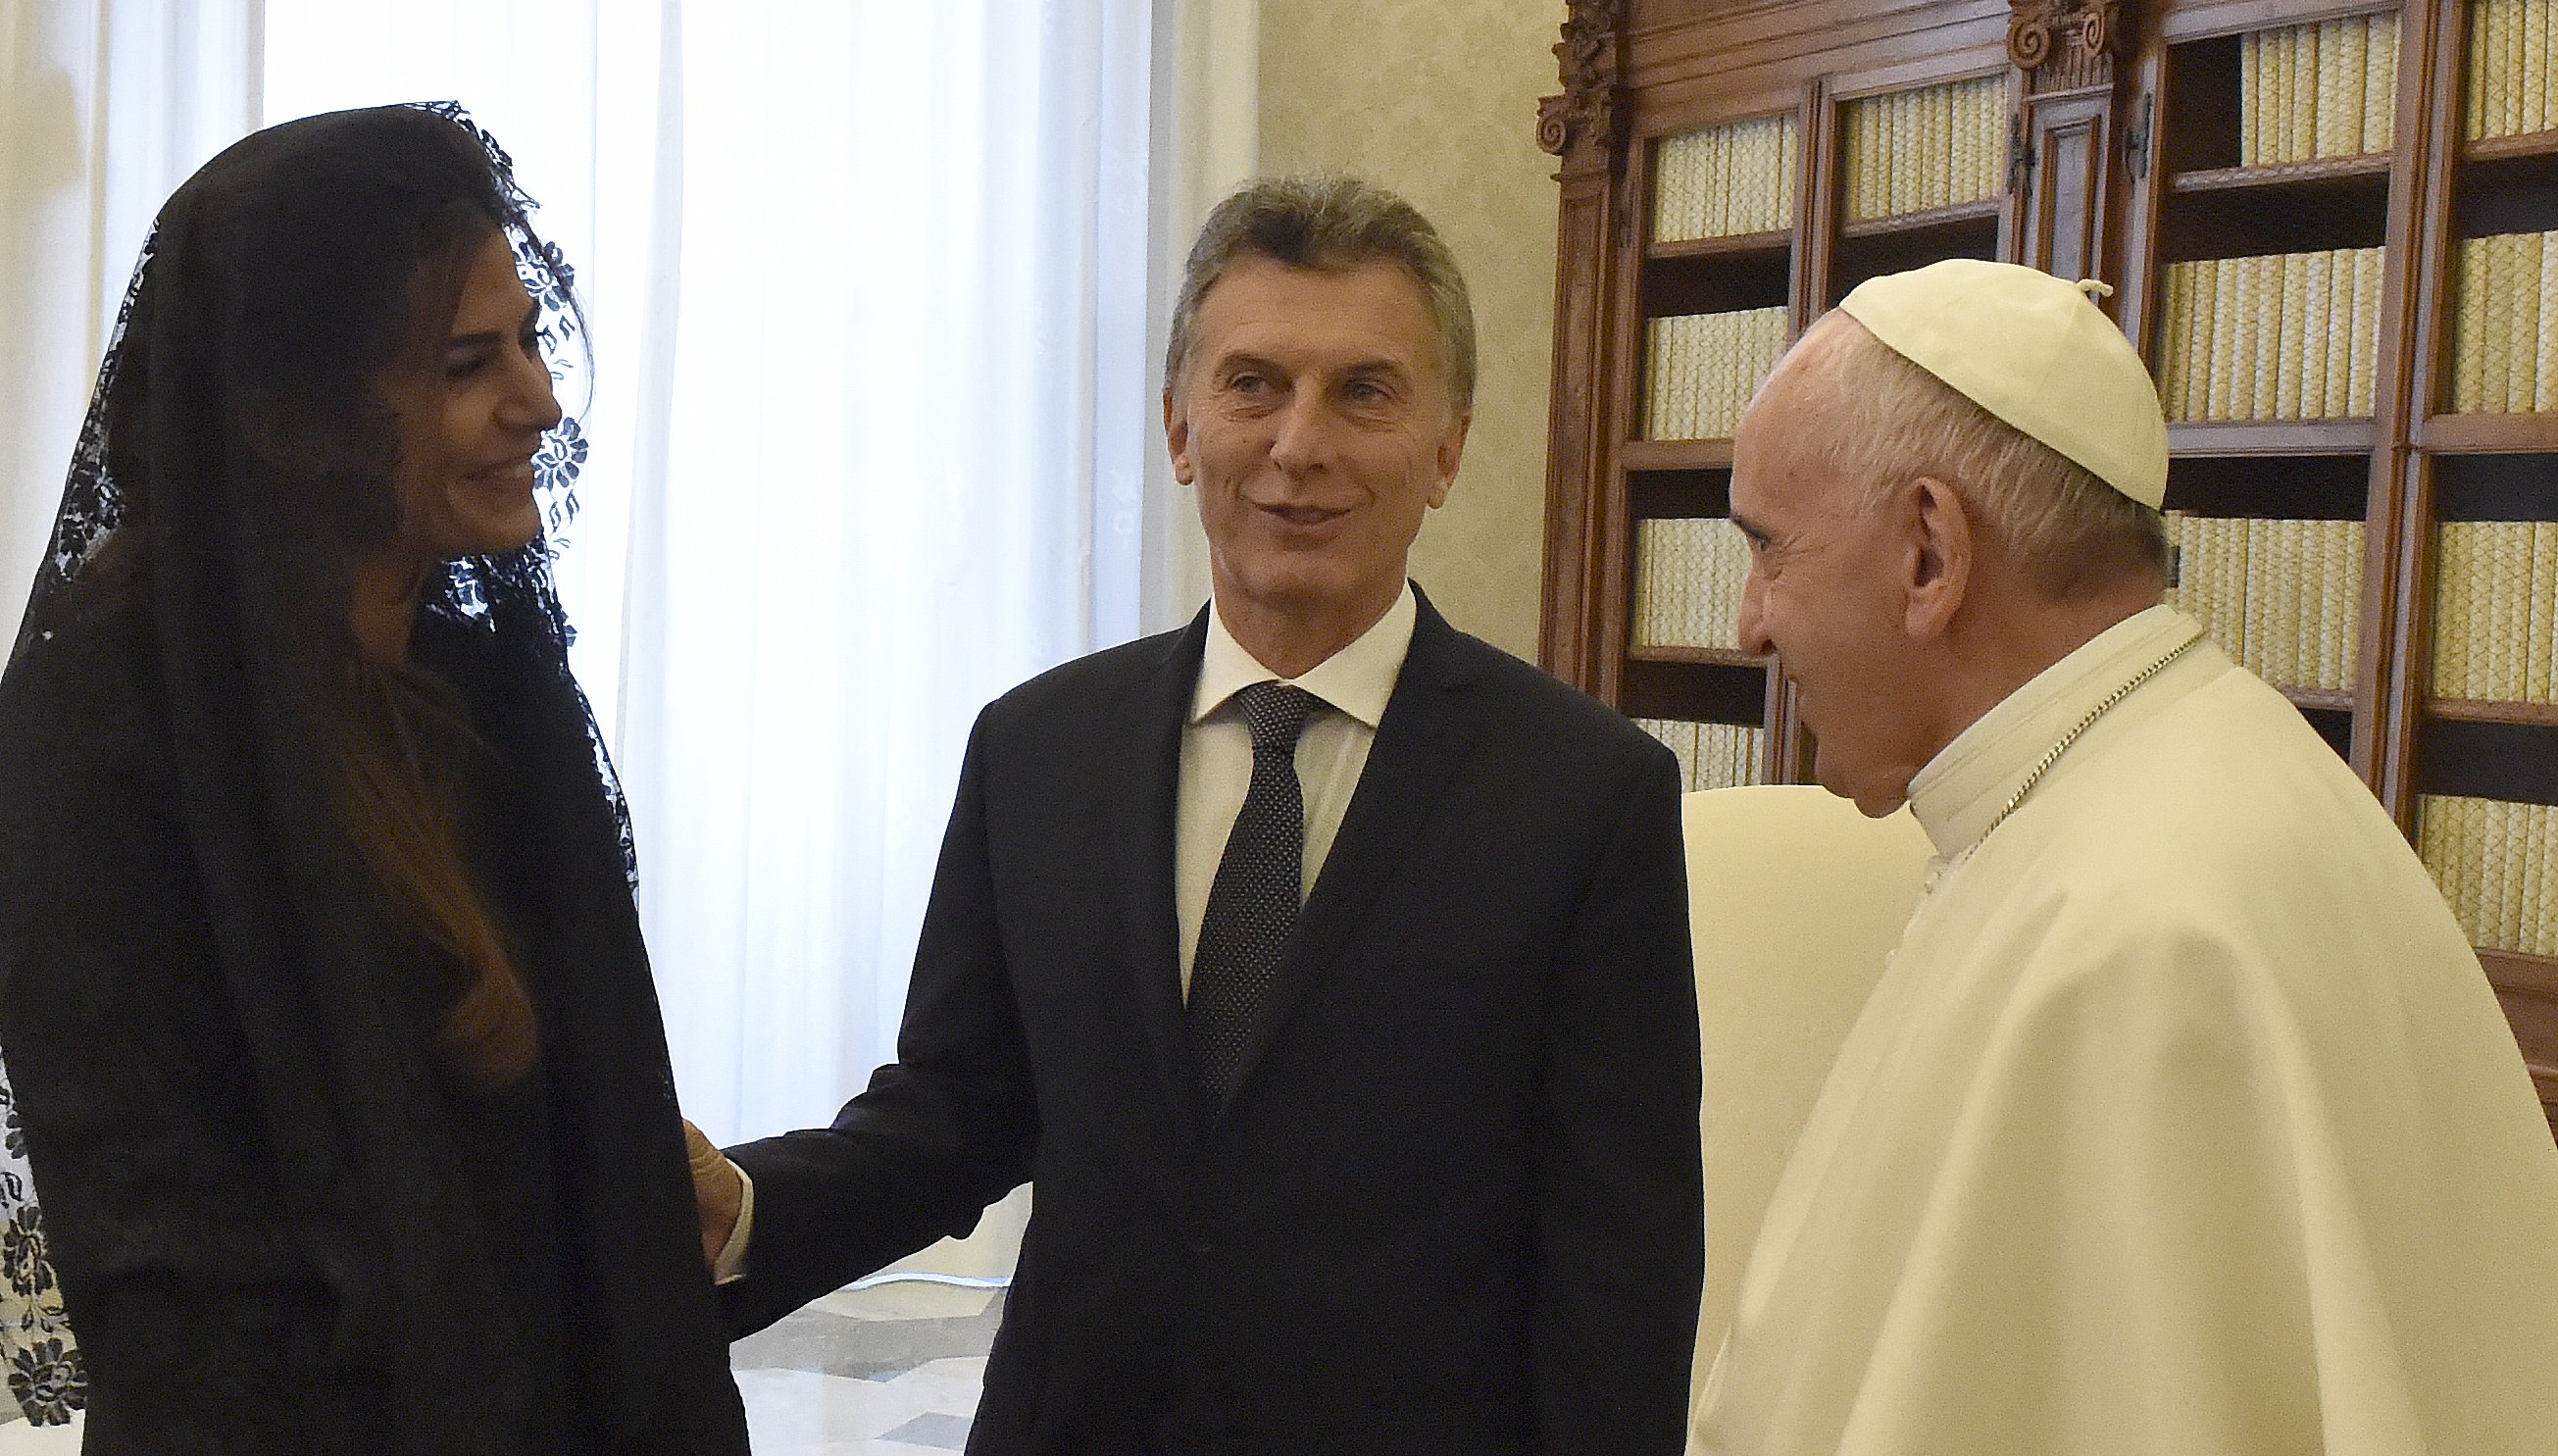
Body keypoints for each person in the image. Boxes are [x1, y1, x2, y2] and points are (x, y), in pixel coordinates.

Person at [688, 176, 1704, 1454]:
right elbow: (958, 1113)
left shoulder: (1585, 792)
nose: (1300, 443)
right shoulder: (1037, 749)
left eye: (1366, 390)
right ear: (1179, 427)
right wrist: (736, 1202)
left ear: (1448, 445)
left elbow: (1622, 1262)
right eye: (1253, 384)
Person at [1693, 257, 2558, 1455]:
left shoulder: (2137, 934)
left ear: (1929, 556)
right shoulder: (2193, 775)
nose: (1747, 622)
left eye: (1768, 549)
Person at [0, 105, 750, 1454]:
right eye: (470, 362)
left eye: (531, 337)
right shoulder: (105, 741)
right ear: (299, 417)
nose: (540, 399)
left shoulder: (488, 695)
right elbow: (181, 1301)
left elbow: (607, 1204)